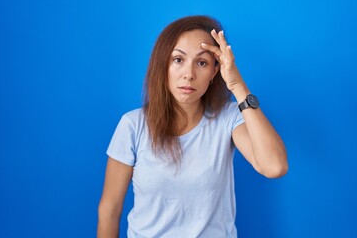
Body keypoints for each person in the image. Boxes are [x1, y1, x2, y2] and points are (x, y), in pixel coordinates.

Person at [97, 15, 288, 238]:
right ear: (163, 64)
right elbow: (109, 210)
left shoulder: (227, 118)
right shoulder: (133, 125)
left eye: (202, 62)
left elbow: (275, 167)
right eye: (178, 60)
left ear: (214, 72)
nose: (189, 74)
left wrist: (237, 85)